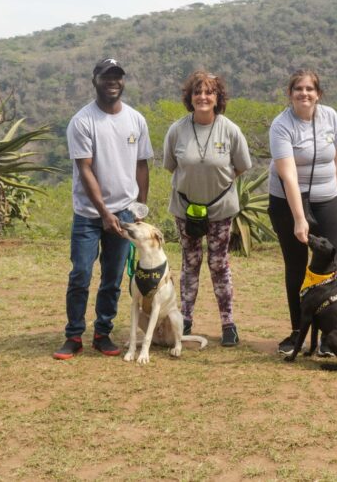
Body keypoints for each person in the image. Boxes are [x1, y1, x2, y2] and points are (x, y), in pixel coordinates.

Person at [53, 58, 152, 359]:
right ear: (94, 79)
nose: (113, 81)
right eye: (107, 76)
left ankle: (103, 333)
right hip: (88, 214)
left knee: (113, 276)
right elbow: (85, 171)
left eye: (118, 76)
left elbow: (142, 165)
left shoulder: (136, 120)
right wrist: (104, 213)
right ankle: (73, 336)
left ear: (123, 81)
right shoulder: (82, 121)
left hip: (124, 212)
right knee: (81, 273)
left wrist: (139, 208)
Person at [162, 70, 252, 347]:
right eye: (197, 92)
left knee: (218, 264)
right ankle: (185, 320)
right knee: (190, 264)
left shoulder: (230, 129)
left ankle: (228, 323)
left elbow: (241, 166)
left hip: (221, 209)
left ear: (218, 97)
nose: (203, 97)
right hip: (186, 208)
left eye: (209, 92)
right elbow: (171, 166)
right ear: (190, 97)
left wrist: (216, 188)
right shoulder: (177, 130)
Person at [267, 69, 337, 356]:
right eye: (298, 89)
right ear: (290, 94)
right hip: (287, 201)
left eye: (310, 89)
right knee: (298, 266)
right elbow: (288, 176)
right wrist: (300, 218)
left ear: (318, 94)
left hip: (326, 199)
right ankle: (298, 331)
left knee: (330, 266)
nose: (304, 94)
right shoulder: (281, 125)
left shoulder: (331, 117)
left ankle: (328, 334)